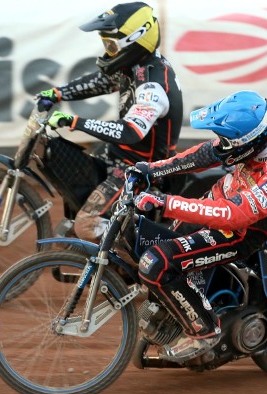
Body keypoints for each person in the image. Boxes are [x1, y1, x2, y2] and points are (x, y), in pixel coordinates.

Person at [128, 90, 267, 362]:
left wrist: (166, 202)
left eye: (226, 140)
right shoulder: (256, 141)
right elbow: (203, 155)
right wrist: (151, 170)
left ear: (247, 144)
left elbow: (233, 216)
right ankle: (182, 303)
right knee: (149, 239)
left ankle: (204, 331)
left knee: (156, 263)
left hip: (239, 233)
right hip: (219, 202)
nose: (220, 144)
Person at [36, 2, 183, 241]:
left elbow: (130, 132)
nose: (108, 51)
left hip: (142, 169)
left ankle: (129, 266)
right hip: (120, 155)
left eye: (112, 45)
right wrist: (57, 94)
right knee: (76, 179)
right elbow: (101, 82)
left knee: (85, 226)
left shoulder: (153, 84)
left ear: (136, 40)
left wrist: (74, 122)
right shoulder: (135, 67)